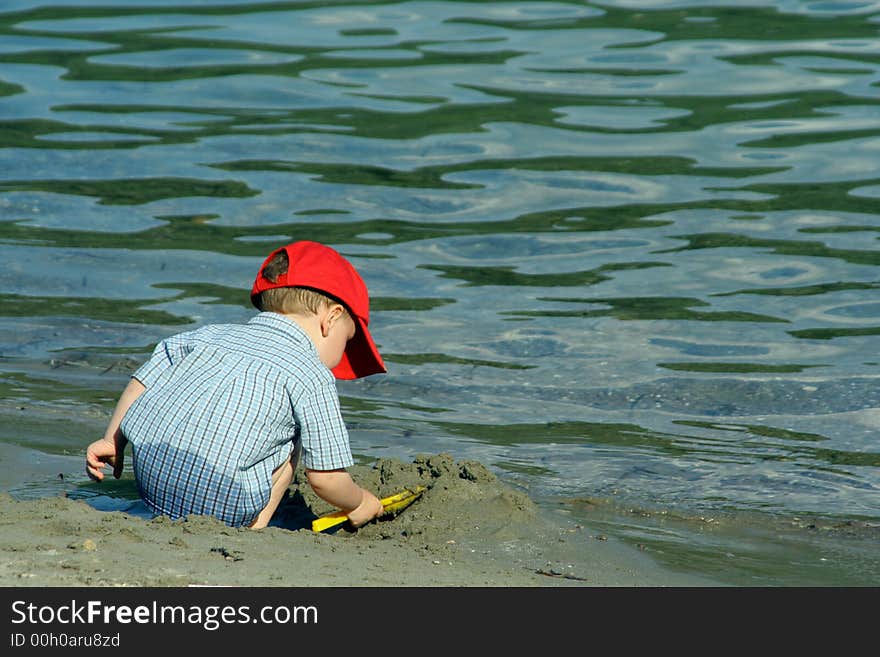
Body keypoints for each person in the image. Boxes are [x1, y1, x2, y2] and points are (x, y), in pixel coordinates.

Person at [85, 240, 386, 529]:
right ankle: (252, 528)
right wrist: (359, 503)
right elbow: (326, 480)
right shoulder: (311, 373)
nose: (341, 356)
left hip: (150, 481)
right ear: (331, 319)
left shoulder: (206, 336)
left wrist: (113, 440)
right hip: (222, 506)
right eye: (348, 341)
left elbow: (144, 380)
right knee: (293, 438)